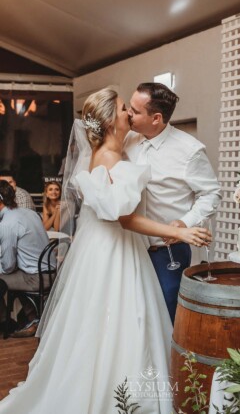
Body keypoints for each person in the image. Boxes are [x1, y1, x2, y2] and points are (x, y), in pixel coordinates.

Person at [0, 88, 211, 414]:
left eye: (133, 108)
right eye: (125, 108)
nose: (129, 112)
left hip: (115, 249)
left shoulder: (122, 147)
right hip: (115, 250)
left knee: (122, 321)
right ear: (112, 120)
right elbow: (125, 219)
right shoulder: (110, 157)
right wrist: (178, 230)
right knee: (117, 319)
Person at [124, 82, 221, 323]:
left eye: (135, 111)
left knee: (167, 316)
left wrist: (183, 223)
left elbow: (211, 193)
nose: (128, 114)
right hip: (128, 247)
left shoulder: (189, 150)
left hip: (166, 250)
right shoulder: (126, 140)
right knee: (134, 317)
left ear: (156, 118)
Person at [0, 180, 51, 335]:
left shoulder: (7, 223)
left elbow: (8, 266)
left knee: (3, 276)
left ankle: (4, 323)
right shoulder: (28, 212)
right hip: (49, 271)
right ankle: (32, 318)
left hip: (35, 278)